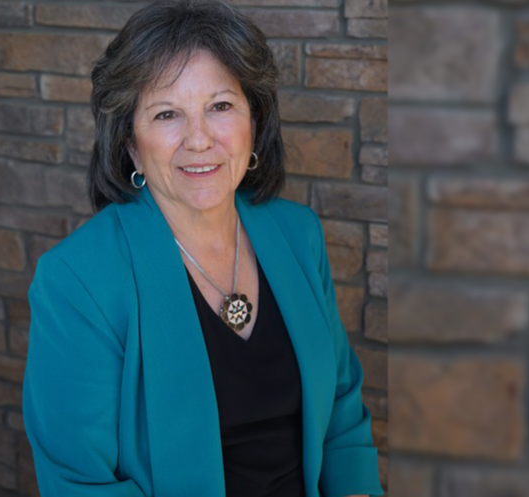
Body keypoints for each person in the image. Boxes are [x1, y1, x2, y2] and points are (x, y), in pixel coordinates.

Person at [23, 1, 384, 496]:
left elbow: (341, 409)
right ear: (131, 144)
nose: (199, 140)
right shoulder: (78, 280)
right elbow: (80, 483)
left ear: (253, 122)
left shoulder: (298, 235)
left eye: (220, 106)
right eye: (168, 114)